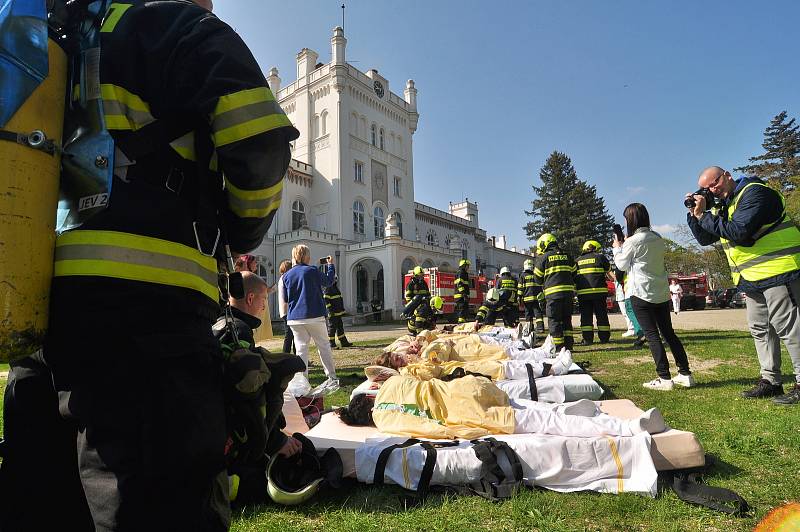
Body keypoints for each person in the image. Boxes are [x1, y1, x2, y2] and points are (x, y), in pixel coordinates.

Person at [16, 1, 300, 530]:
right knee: (164, 502)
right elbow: (258, 141)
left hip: (41, 313)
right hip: (149, 318)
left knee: (46, 495)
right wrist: (242, 229)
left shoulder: (60, 37)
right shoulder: (177, 28)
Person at [687, 166, 800, 404]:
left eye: (714, 184)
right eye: (706, 189)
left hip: (780, 269)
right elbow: (706, 238)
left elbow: (739, 231)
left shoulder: (755, 192)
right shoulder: (726, 203)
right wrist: (694, 214)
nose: (712, 191)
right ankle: (771, 381)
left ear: (727, 175)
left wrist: (704, 216)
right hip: (751, 278)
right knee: (761, 330)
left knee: (790, 329)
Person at [212, 272, 305, 507]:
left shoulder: (220, 322)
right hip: (235, 436)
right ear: (251, 298)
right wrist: (275, 441)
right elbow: (249, 398)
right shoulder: (238, 331)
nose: (265, 306)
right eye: (264, 300)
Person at [337, 374, 667, 440]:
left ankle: (625, 427)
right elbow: (379, 374)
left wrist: (456, 434)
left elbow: (423, 427)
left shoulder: (384, 418)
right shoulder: (391, 383)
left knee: (540, 420)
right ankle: (622, 426)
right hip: (470, 391)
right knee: (536, 412)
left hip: (466, 410)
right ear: (367, 396)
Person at [614, 203, 693, 391]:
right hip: (660, 291)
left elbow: (622, 265)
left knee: (652, 335)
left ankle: (664, 378)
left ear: (630, 221)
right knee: (669, 333)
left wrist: (618, 247)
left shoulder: (633, 241)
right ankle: (685, 373)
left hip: (641, 291)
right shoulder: (657, 238)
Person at [283, 245, 339, 393]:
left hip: (295, 317)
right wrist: (330, 265)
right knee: (323, 346)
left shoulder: (287, 275)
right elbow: (328, 281)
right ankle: (331, 377)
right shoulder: (312, 270)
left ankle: (302, 381)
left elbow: (286, 298)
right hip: (314, 314)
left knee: (301, 349)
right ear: (306, 256)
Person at [533, 233, 576, 350]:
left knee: (554, 320)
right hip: (568, 294)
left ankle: (557, 347)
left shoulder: (543, 258)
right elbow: (574, 271)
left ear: (544, 244)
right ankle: (568, 345)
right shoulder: (567, 256)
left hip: (553, 296)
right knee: (567, 319)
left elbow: (537, 278)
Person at [575, 240, 611, 345]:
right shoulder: (600, 257)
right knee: (602, 315)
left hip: (583, 294)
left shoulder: (577, 261)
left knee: (586, 316)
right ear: (595, 248)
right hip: (599, 293)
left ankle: (587, 339)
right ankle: (604, 338)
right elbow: (609, 271)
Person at [324, 277, 353, 349]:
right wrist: (330, 310)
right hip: (332, 313)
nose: (335, 280)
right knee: (332, 328)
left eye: (336, 278)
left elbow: (339, 300)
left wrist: (342, 310)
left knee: (340, 327)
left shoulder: (335, 288)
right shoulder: (328, 288)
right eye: (334, 279)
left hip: (338, 312)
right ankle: (331, 344)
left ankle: (344, 342)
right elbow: (326, 301)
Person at [518, 258, 545, 335]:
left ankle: (529, 328)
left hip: (527, 299)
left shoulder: (522, 275)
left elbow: (520, 287)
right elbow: (540, 286)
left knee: (528, 314)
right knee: (538, 313)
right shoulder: (535, 275)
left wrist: (519, 297)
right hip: (536, 298)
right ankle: (540, 328)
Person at [277, 259, 295, 354]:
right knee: (290, 335)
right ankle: (286, 356)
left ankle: (294, 356)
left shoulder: (282, 278)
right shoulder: (286, 278)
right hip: (288, 310)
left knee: (292, 335)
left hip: (285, 310)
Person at [454, 258, 472, 323]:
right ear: (464, 265)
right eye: (467, 266)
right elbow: (459, 284)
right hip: (460, 296)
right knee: (462, 310)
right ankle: (461, 324)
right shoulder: (461, 273)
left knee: (464, 310)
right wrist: (464, 294)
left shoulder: (464, 273)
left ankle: (463, 322)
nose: (468, 267)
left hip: (462, 295)